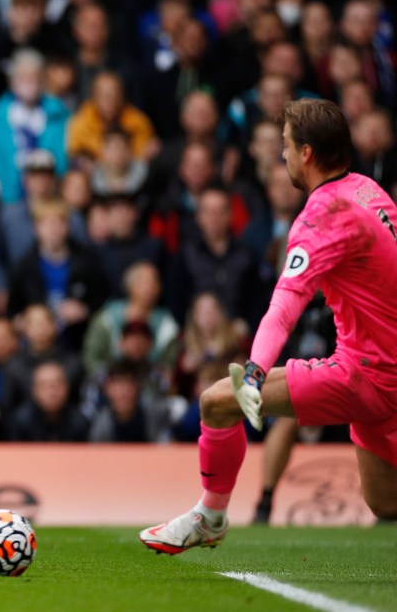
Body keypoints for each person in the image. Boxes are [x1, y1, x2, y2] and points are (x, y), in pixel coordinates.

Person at [140, 98, 397, 555]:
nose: (281, 156)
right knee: (384, 502)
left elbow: (284, 305)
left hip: (368, 373)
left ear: (307, 155)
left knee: (217, 402)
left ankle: (209, 517)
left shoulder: (322, 217)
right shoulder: (369, 191)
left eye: (285, 146)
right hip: (375, 369)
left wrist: (255, 373)